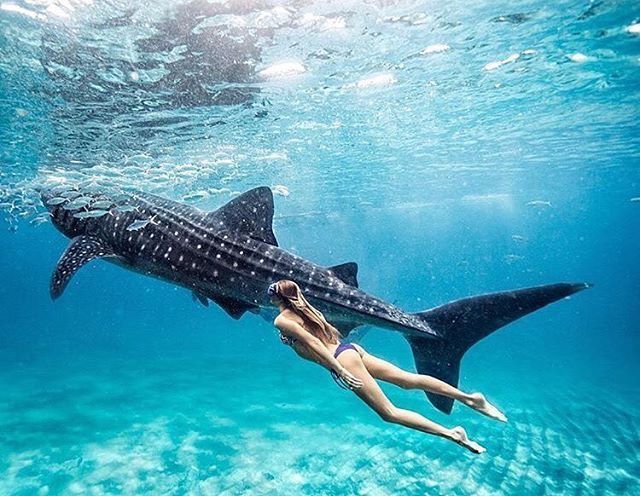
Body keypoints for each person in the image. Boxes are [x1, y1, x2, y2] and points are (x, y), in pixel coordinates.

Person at [269, 279, 507, 454]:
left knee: (389, 413)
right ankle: (470, 398)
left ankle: (452, 434)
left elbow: (313, 344)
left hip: (341, 360)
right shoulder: (309, 310)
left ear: (277, 297)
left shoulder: (282, 320)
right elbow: (330, 336)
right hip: (350, 351)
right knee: (407, 379)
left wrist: (339, 369)